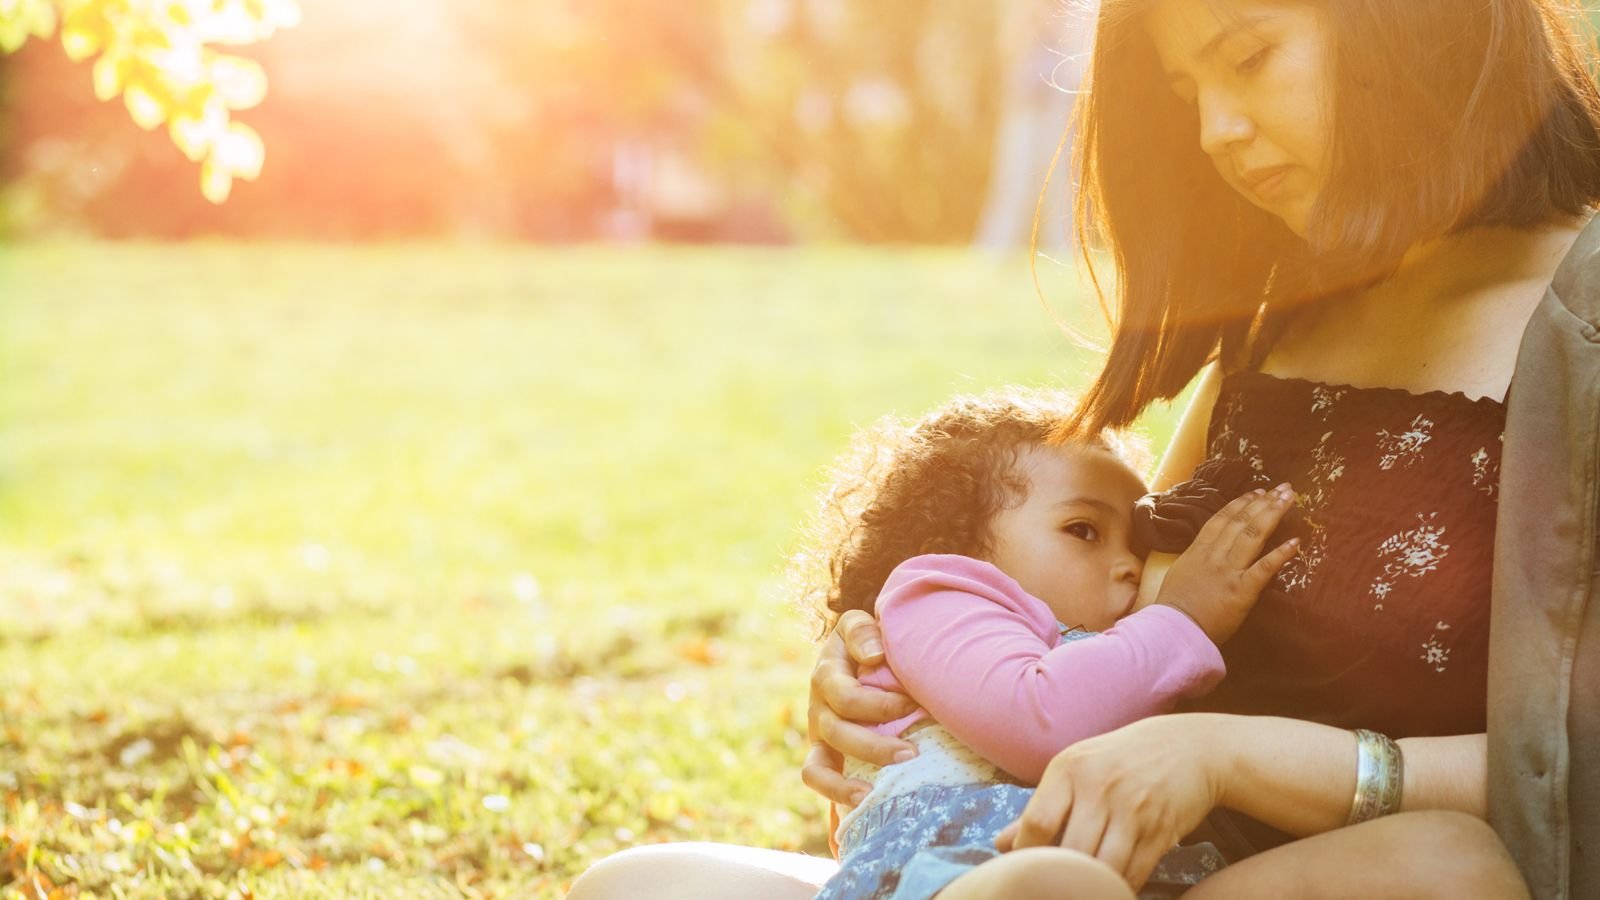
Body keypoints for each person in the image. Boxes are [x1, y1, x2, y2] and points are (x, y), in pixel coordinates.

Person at [570, 0, 1600, 896]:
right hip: (1121, 865)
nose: (1217, 133)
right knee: (638, 884)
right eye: (1185, 89)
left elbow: (1575, 771)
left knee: (1438, 877)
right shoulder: (1283, 328)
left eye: (1246, 58)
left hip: (1344, 874)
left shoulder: (1581, 322)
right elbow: (1117, 624)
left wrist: (1226, 755)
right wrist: (914, 682)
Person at [787, 391, 1297, 899]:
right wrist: (1184, 616)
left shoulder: (1119, 650)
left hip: (1105, 873)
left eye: (1139, 547)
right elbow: (1042, 720)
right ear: (957, 540)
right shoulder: (934, 594)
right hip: (956, 873)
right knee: (1055, 882)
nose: (1132, 566)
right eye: (1084, 530)